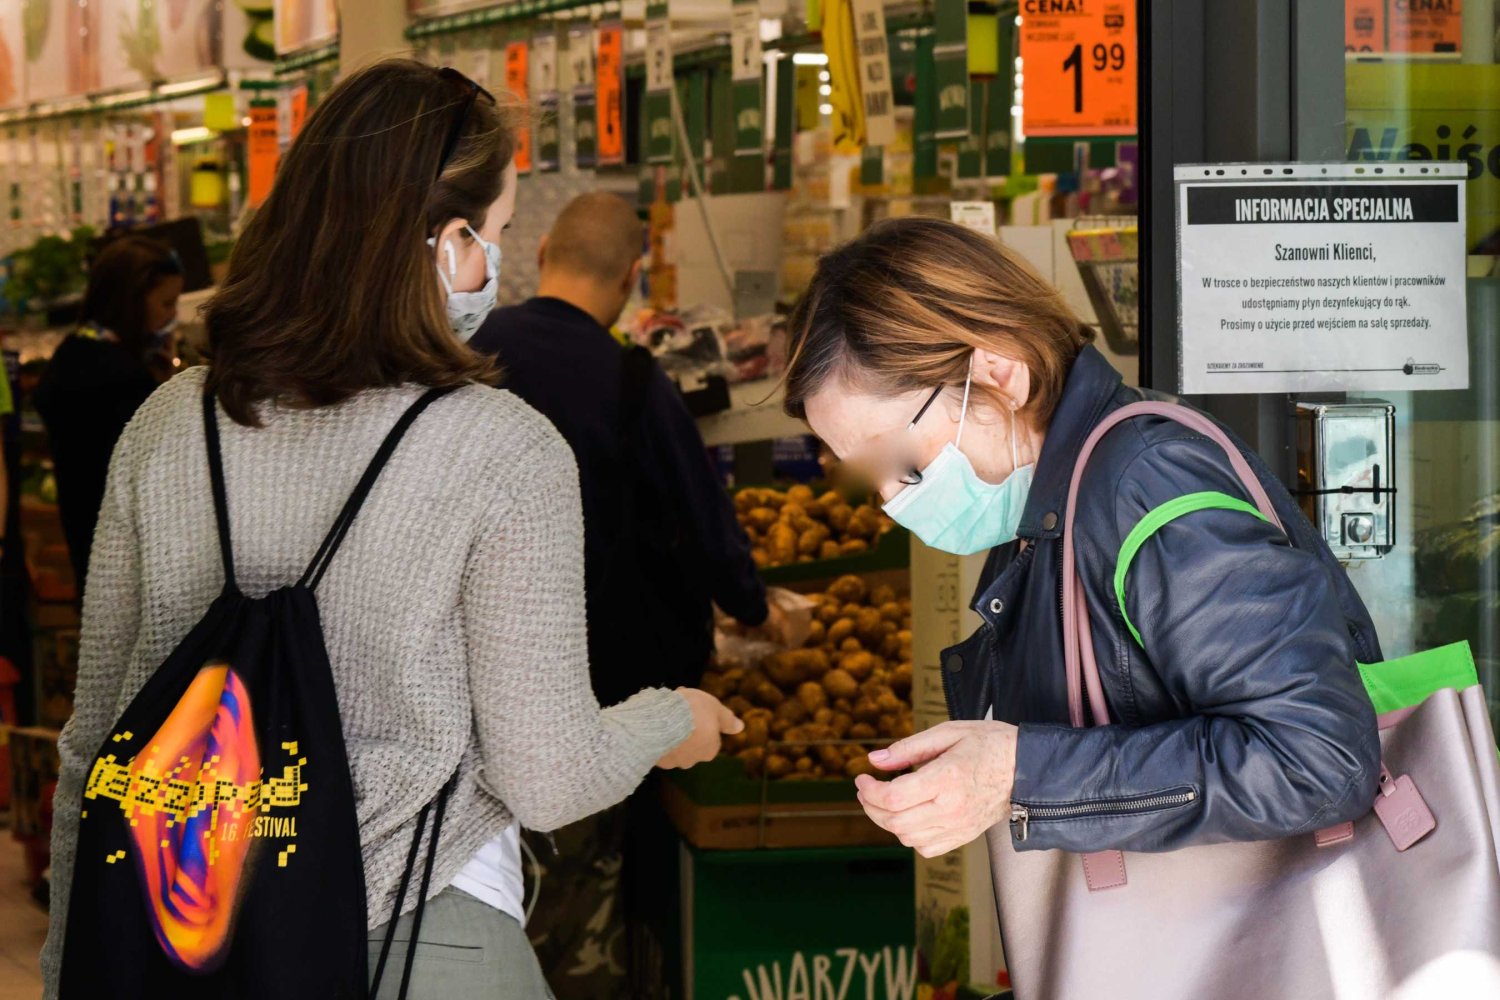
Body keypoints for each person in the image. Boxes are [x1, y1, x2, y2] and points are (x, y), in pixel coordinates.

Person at [41, 58, 739, 1000]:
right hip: (417, 937)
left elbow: (93, 744)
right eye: (496, 235)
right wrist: (672, 718)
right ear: (447, 245)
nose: (494, 265)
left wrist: (67, 969)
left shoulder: (167, 425)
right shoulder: (502, 448)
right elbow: (546, 776)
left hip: (179, 938)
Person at [782, 218, 1380, 883]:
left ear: (998, 373)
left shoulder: (1148, 486)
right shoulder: (1047, 508)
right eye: (866, 476)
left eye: (899, 461)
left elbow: (1319, 760)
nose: (891, 498)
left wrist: (1021, 773)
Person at [469, 191, 768, 999]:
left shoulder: (466, 356)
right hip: (599, 698)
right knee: (583, 916)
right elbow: (708, 528)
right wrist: (754, 607)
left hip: (470, 701)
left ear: (539, 256)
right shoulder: (632, 381)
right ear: (634, 277)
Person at [34, 235, 182, 588]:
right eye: (166, 303)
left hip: (85, 542)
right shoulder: (120, 379)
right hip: (123, 561)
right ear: (131, 301)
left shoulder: (73, 352)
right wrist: (168, 391)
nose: (173, 316)